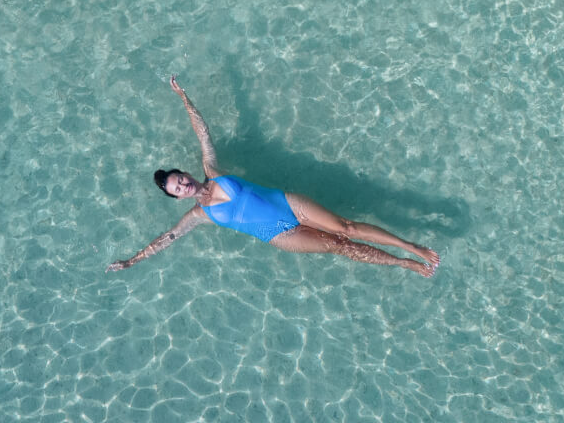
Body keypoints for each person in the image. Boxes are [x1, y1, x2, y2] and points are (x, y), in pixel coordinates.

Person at [106, 76, 440, 277]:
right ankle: (401, 263)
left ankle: (410, 246)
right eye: (177, 189)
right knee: (342, 247)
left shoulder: (212, 170)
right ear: (177, 196)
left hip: (288, 205)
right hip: (279, 236)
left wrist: (184, 98)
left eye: (180, 178)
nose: (183, 185)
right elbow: (168, 238)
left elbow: (203, 133)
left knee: (346, 227)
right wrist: (133, 261)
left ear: (186, 173)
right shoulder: (198, 215)